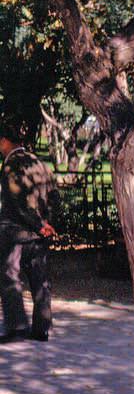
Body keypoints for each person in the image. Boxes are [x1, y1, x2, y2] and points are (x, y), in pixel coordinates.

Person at [0, 129, 59, 343]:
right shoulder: (40, 163)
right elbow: (54, 195)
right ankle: (42, 327)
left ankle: (17, 327)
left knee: (9, 275)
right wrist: (48, 223)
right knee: (40, 278)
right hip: (39, 233)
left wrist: (39, 224)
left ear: (5, 141)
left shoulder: (11, 166)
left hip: (16, 232)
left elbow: (18, 202)